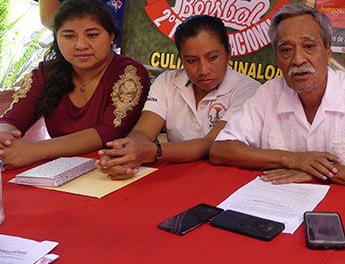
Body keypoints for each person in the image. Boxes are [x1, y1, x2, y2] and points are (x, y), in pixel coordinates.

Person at [209, 4, 345, 193]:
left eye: (309, 46)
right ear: (277, 58)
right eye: (286, 50)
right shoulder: (268, 93)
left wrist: (315, 172)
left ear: (328, 51)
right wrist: (292, 160)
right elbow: (221, 149)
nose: (297, 59)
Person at [96, 15, 260, 179]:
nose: (203, 70)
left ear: (228, 53)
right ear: (181, 59)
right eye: (191, 60)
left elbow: (211, 144)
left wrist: (152, 152)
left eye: (212, 58)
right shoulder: (167, 82)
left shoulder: (247, 90)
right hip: (175, 176)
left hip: (224, 178)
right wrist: (126, 153)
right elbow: (143, 131)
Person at [0, 0, 150, 169]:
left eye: (92, 35)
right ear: (56, 38)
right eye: (69, 36)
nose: (80, 45)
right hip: (56, 171)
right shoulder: (45, 73)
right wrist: (4, 138)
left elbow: (108, 131)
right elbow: (14, 119)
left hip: (110, 169)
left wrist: (35, 151)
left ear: (111, 36)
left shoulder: (129, 73)